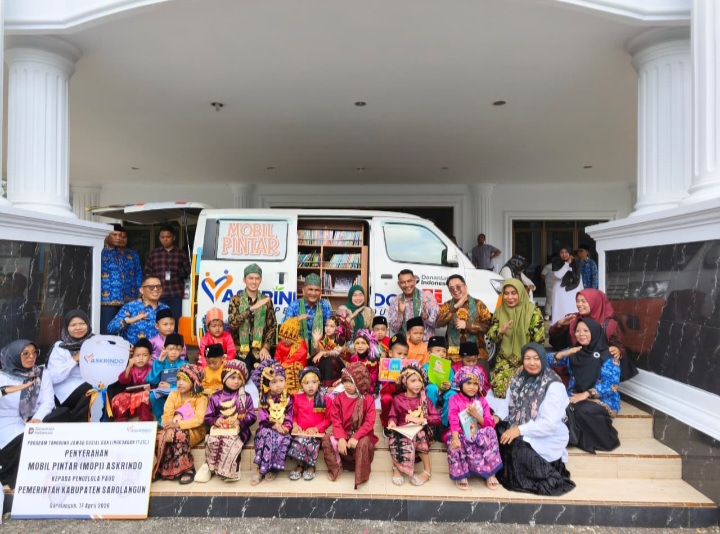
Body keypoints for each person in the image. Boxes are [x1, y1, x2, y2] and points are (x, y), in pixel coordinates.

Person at [493, 343, 575, 496]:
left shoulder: (553, 384)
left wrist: (518, 430)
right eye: (527, 358)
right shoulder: (519, 378)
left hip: (544, 435)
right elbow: (507, 404)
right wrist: (497, 417)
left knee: (516, 447)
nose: (532, 363)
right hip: (519, 425)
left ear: (543, 359)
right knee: (495, 431)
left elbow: (549, 424)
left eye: (536, 359)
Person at [549, 318, 621, 453]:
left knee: (581, 409)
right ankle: (578, 439)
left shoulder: (608, 355)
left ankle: (606, 440)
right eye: (578, 331)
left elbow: (611, 385)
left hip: (603, 399)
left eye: (586, 331)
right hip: (575, 395)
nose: (581, 334)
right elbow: (546, 361)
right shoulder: (574, 351)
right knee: (561, 406)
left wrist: (586, 394)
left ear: (594, 332)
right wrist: (564, 353)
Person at [0, 340, 56, 489]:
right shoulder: (2, 376)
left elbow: (48, 401)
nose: (31, 357)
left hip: (32, 419)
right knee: (24, 441)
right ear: (14, 356)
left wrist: (37, 418)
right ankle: (12, 483)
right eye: (25, 353)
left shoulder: (42, 374)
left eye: (34, 353)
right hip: (5, 421)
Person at [196, 360, 256, 483]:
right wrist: (216, 420)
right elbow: (207, 417)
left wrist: (240, 422)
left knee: (229, 440)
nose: (236, 381)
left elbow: (252, 416)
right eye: (233, 377)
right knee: (212, 440)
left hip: (240, 432)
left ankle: (230, 471)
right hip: (219, 430)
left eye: (239, 378)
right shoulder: (216, 397)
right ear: (224, 377)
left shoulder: (246, 397)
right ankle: (209, 467)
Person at [486, 279, 545, 399]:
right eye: (506, 293)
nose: (509, 297)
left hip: (528, 359)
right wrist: (500, 331)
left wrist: (527, 362)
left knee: (526, 390)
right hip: (505, 358)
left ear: (521, 293)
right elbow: (491, 336)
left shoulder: (533, 312)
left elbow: (539, 342)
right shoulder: (500, 311)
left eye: (514, 293)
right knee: (499, 389)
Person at [322, 362, 377, 489]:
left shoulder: (367, 399)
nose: (348, 385)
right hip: (344, 435)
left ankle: (361, 475)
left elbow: (369, 422)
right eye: (345, 381)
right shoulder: (339, 398)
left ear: (360, 382)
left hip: (362, 436)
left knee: (364, 442)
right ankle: (336, 467)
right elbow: (335, 420)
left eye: (351, 382)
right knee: (326, 439)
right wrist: (341, 438)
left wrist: (356, 437)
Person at [446, 366, 502, 490]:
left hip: (478, 434)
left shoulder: (482, 401)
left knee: (491, 431)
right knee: (452, 438)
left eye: (475, 384)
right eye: (468, 383)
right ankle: (461, 474)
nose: (472, 387)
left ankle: (490, 473)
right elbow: (453, 421)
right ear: (461, 383)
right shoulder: (454, 400)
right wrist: (455, 438)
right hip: (462, 435)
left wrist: (475, 414)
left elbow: (490, 423)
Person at [153, 364, 208, 484]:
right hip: (172, 428)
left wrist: (177, 425)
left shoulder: (201, 398)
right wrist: (168, 428)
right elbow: (166, 415)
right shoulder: (173, 395)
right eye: (178, 379)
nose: (180, 383)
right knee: (159, 436)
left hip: (195, 430)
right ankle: (161, 468)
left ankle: (188, 469)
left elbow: (199, 420)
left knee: (179, 434)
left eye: (185, 380)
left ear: (194, 381)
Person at [387, 365, 440, 487]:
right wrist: (392, 422)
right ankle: (397, 467)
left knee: (420, 434)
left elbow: (437, 418)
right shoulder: (398, 399)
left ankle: (427, 470)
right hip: (403, 432)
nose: (417, 384)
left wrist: (421, 419)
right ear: (405, 382)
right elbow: (393, 416)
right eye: (413, 381)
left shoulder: (424, 400)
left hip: (421, 433)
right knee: (395, 435)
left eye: (419, 381)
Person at [250, 359, 294, 485]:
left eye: (281, 380)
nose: (278, 385)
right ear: (268, 384)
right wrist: (274, 425)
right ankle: (260, 469)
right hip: (267, 427)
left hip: (283, 429)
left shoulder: (288, 398)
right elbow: (263, 419)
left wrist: (286, 426)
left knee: (282, 438)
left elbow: (289, 416)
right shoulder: (264, 398)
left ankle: (273, 468)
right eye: (274, 382)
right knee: (266, 435)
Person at [46, 310, 94, 422]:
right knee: (93, 389)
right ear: (67, 327)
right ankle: (77, 423)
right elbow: (53, 378)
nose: (78, 328)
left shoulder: (95, 342)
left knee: (112, 385)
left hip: (92, 382)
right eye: (73, 325)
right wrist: (74, 359)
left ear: (88, 325)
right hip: (66, 389)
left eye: (82, 323)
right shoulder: (60, 347)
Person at [435, 274, 493, 366]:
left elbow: (488, 327)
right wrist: (455, 307)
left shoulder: (478, 304)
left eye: (458, 286)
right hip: (453, 355)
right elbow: (438, 323)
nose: (455, 290)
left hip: (477, 354)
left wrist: (467, 325)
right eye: (451, 288)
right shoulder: (447, 305)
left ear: (465, 287)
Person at [228, 264, 277, 371]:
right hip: (240, 350)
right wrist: (250, 310)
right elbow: (232, 324)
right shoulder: (236, 300)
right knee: (239, 375)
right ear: (244, 280)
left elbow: (272, 327)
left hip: (260, 350)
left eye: (257, 278)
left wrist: (266, 347)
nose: (254, 282)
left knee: (266, 375)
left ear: (260, 280)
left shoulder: (266, 301)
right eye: (250, 278)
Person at [287, 366, 331, 481]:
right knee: (297, 442)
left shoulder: (325, 399)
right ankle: (300, 465)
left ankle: (311, 466)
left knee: (311, 443)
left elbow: (328, 419)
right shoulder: (297, 398)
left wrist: (316, 428)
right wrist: (295, 425)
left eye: (314, 382)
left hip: (316, 433)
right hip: (300, 432)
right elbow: (293, 415)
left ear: (318, 383)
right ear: (302, 385)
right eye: (306, 383)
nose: (310, 386)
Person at [144, 226, 191, 325]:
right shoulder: (154, 254)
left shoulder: (181, 253)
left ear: (173, 238)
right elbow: (147, 273)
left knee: (176, 320)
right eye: (162, 237)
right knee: (159, 319)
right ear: (159, 238)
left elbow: (189, 272)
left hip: (176, 293)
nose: (165, 239)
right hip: (158, 293)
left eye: (168, 237)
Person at [100, 224, 142, 334]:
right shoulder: (101, 251)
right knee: (108, 330)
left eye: (121, 236)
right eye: (115, 235)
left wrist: (138, 294)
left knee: (128, 330)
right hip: (107, 300)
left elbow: (138, 274)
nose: (119, 238)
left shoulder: (129, 254)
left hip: (129, 298)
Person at [107, 275, 170, 345]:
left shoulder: (165, 308)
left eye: (158, 286)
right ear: (141, 290)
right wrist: (128, 321)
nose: (155, 289)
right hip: (134, 350)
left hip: (159, 351)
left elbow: (171, 333)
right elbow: (111, 328)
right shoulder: (130, 307)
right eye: (151, 287)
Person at [283, 273, 332, 354]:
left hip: (319, 349)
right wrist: (297, 319)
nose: (313, 293)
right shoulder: (295, 305)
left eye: (317, 290)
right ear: (303, 290)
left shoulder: (325, 305)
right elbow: (285, 331)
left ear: (320, 292)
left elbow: (331, 330)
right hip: (297, 350)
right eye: (310, 289)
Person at [110, 338, 153, 422]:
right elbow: (122, 380)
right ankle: (121, 420)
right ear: (132, 357)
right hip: (130, 395)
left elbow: (155, 383)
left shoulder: (151, 369)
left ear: (150, 358)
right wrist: (129, 366)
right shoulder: (131, 368)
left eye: (144, 355)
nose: (141, 358)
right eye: (137, 355)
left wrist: (150, 389)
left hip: (144, 397)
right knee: (118, 398)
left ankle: (145, 421)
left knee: (146, 395)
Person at [387, 270, 438, 341]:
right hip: (405, 344)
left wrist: (426, 318)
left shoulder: (427, 297)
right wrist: (400, 313)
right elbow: (394, 329)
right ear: (399, 284)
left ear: (414, 281)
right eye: (403, 282)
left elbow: (437, 324)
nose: (407, 285)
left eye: (409, 281)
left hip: (425, 343)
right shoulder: (395, 301)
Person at [147, 333, 187, 421]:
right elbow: (151, 380)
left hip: (177, 391)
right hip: (162, 392)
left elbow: (188, 384)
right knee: (153, 395)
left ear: (182, 351)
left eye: (178, 349)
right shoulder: (159, 362)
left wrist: (170, 386)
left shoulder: (184, 365)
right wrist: (159, 362)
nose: (174, 352)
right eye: (171, 349)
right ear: (164, 349)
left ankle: (178, 418)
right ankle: (162, 421)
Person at [379, 334, 409, 432]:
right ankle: (387, 425)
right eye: (399, 353)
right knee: (386, 399)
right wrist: (396, 386)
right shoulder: (385, 366)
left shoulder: (408, 367)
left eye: (405, 354)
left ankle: (404, 423)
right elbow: (384, 389)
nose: (402, 357)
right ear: (391, 353)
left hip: (403, 394)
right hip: (389, 394)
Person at [312, 314, 351, 388]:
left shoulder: (341, 340)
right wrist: (316, 342)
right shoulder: (324, 339)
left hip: (341, 364)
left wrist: (323, 352)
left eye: (331, 326)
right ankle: (321, 383)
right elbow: (318, 355)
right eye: (326, 325)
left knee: (329, 360)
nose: (328, 328)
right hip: (328, 364)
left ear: (337, 328)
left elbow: (336, 353)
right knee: (314, 359)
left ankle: (328, 386)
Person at [275, 317, 309, 395]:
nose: (285, 340)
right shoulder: (280, 344)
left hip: (296, 368)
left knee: (293, 368)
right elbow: (277, 357)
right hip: (282, 367)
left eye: (288, 338)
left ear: (294, 337)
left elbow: (295, 358)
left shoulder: (301, 344)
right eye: (283, 337)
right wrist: (278, 365)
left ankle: (292, 391)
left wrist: (283, 365)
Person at [551, 247, 583, 325]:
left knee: (573, 311)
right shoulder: (557, 263)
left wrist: (581, 292)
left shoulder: (575, 263)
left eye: (566, 252)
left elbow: (579, 278)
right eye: (562, 252)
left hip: (574, 291)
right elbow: (559, 275)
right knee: (560, 311)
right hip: (560, 291)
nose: (564, 254)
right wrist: (567, 264)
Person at [349, 329, 381, 395]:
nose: (360, 346)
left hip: (369, 384)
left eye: (363, 343)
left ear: (368, 345)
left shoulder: (372, 360)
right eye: (357, 343)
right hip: (356, 384)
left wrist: (363, 374)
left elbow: (375, 376)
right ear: (354, 345)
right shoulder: (353, 358)